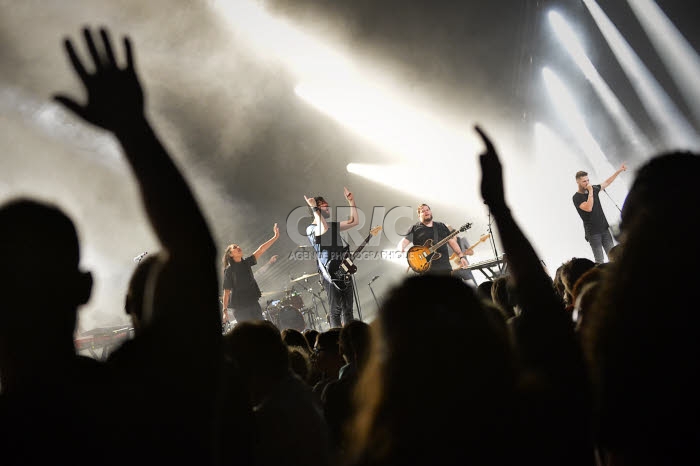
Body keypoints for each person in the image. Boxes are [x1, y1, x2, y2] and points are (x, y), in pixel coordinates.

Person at [304, 188, 359, 328]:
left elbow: (354, 221)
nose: (327, 206)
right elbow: (323, 227)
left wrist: (351, 201)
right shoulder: (311, 229)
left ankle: (350, 337)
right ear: (316, 208)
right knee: (336, 310)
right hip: (329, 272)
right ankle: (337, 340)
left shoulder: (332, 225)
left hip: (344, 267)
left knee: (348, 308)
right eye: (323, 204)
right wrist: (313, 208)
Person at [222, 223, 280, 325]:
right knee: (249, 334)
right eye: (235, 247)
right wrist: (225, 311)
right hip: (240, 308)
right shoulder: (229, 270)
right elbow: (226, 292)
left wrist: (275, 237)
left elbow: (261, 249)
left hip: (253, 303)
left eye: (238, 245)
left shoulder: (246, 263)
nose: (238, 247)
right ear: (230, 254)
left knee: (261, 328)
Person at [572, 164, 626, 263]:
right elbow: (588, 207)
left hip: (604, 229)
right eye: (584, 181)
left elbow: (606, 182)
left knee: (613, 255)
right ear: (578, 181)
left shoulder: (593, 189)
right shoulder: (576, 197)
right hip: (593, 233)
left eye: (588, 180)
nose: (587, 183)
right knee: (599, 260)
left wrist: (619, 171)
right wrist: (591, 191)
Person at [400, 204, 472, 274]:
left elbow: (452, 242)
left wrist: (461, 256)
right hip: (425, 269)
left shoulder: (441, 226)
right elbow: (404, 242)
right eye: (423, 211)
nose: (426, 212)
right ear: (419, 215)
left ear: (430, 212)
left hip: (444, 267)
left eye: (427, 210)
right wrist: (401, 248)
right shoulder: (414, 228)